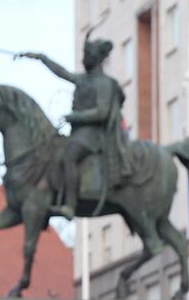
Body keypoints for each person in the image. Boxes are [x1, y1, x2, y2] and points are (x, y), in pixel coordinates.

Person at [18, 38, 125, 219]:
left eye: (88, 55)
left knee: (70, 156)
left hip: (94, 135)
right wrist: (42, 58)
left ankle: (70, 204)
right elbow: (63, 73)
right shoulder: (84, 79)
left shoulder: (103, 83)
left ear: (97, 58)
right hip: (79, 133)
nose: (84, 59)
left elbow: (102, 112)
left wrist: (75, 116)